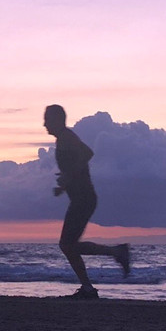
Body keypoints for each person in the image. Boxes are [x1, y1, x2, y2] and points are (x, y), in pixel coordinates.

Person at [45, 104, 130, 298]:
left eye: (47, 119)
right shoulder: (63, 140)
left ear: (58, 119)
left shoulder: (67, 137)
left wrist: (68, 177)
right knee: (68, 245)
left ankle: (114, 256)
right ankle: (92, 282)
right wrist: (64, 185)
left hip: (84, 199)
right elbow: (78, 168)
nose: (44, 124)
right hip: (81, 198)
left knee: (67, 245)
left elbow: (87, 154)